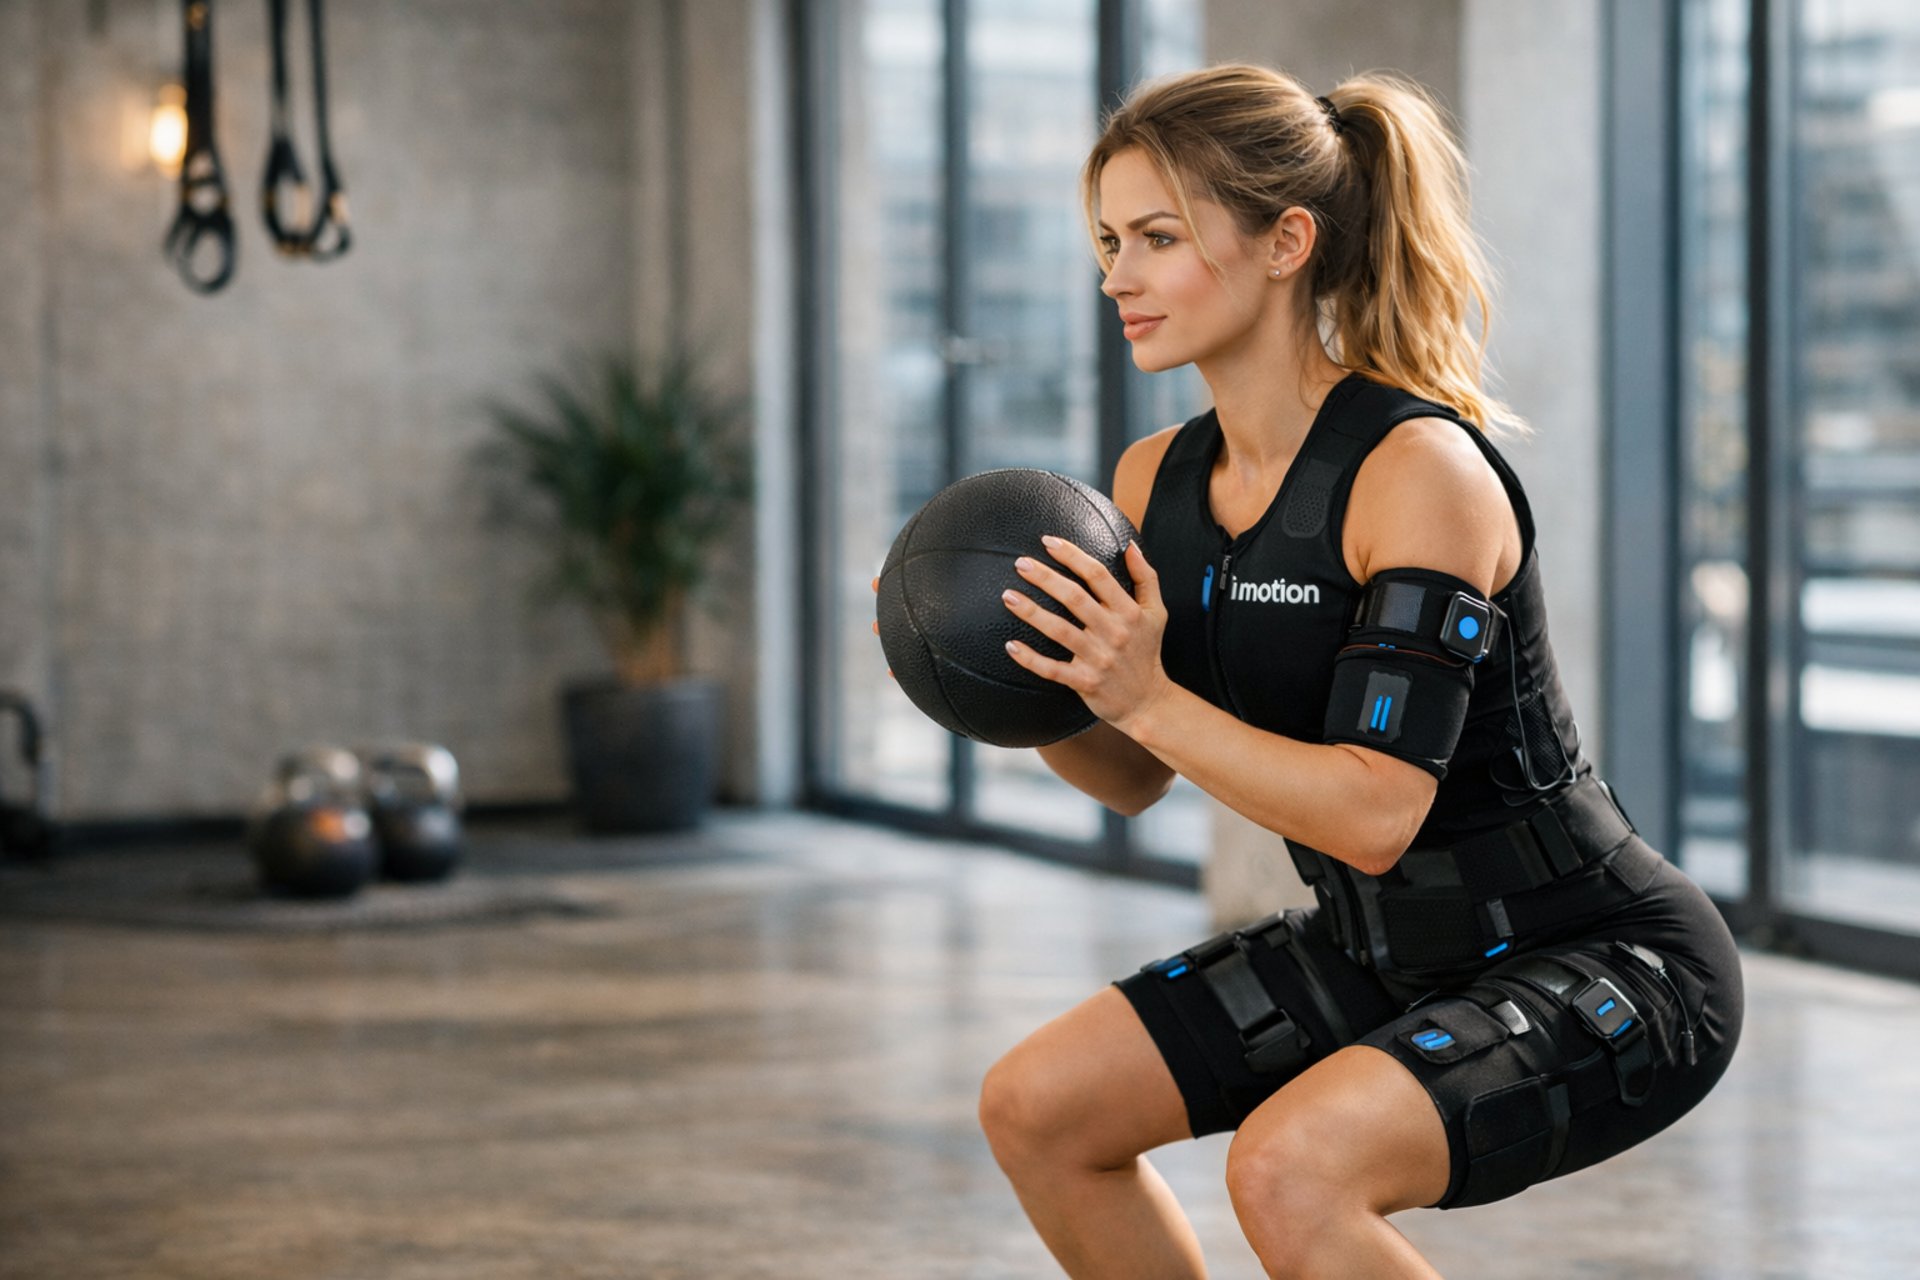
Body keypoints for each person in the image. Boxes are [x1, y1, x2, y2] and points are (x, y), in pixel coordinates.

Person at [963, 63, 1744, 1278]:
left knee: (1291, 1169)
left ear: (1286, 241)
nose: (1116, 275)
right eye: (1109, 239)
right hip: (1380, 946)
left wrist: (1148, 693)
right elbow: (1127, 774)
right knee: (1039, 1107)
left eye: (1157, 237)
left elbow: (1377, 812)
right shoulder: (1151, 480)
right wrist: (1003, 676)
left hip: (1602, 955)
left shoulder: (1415, 467)